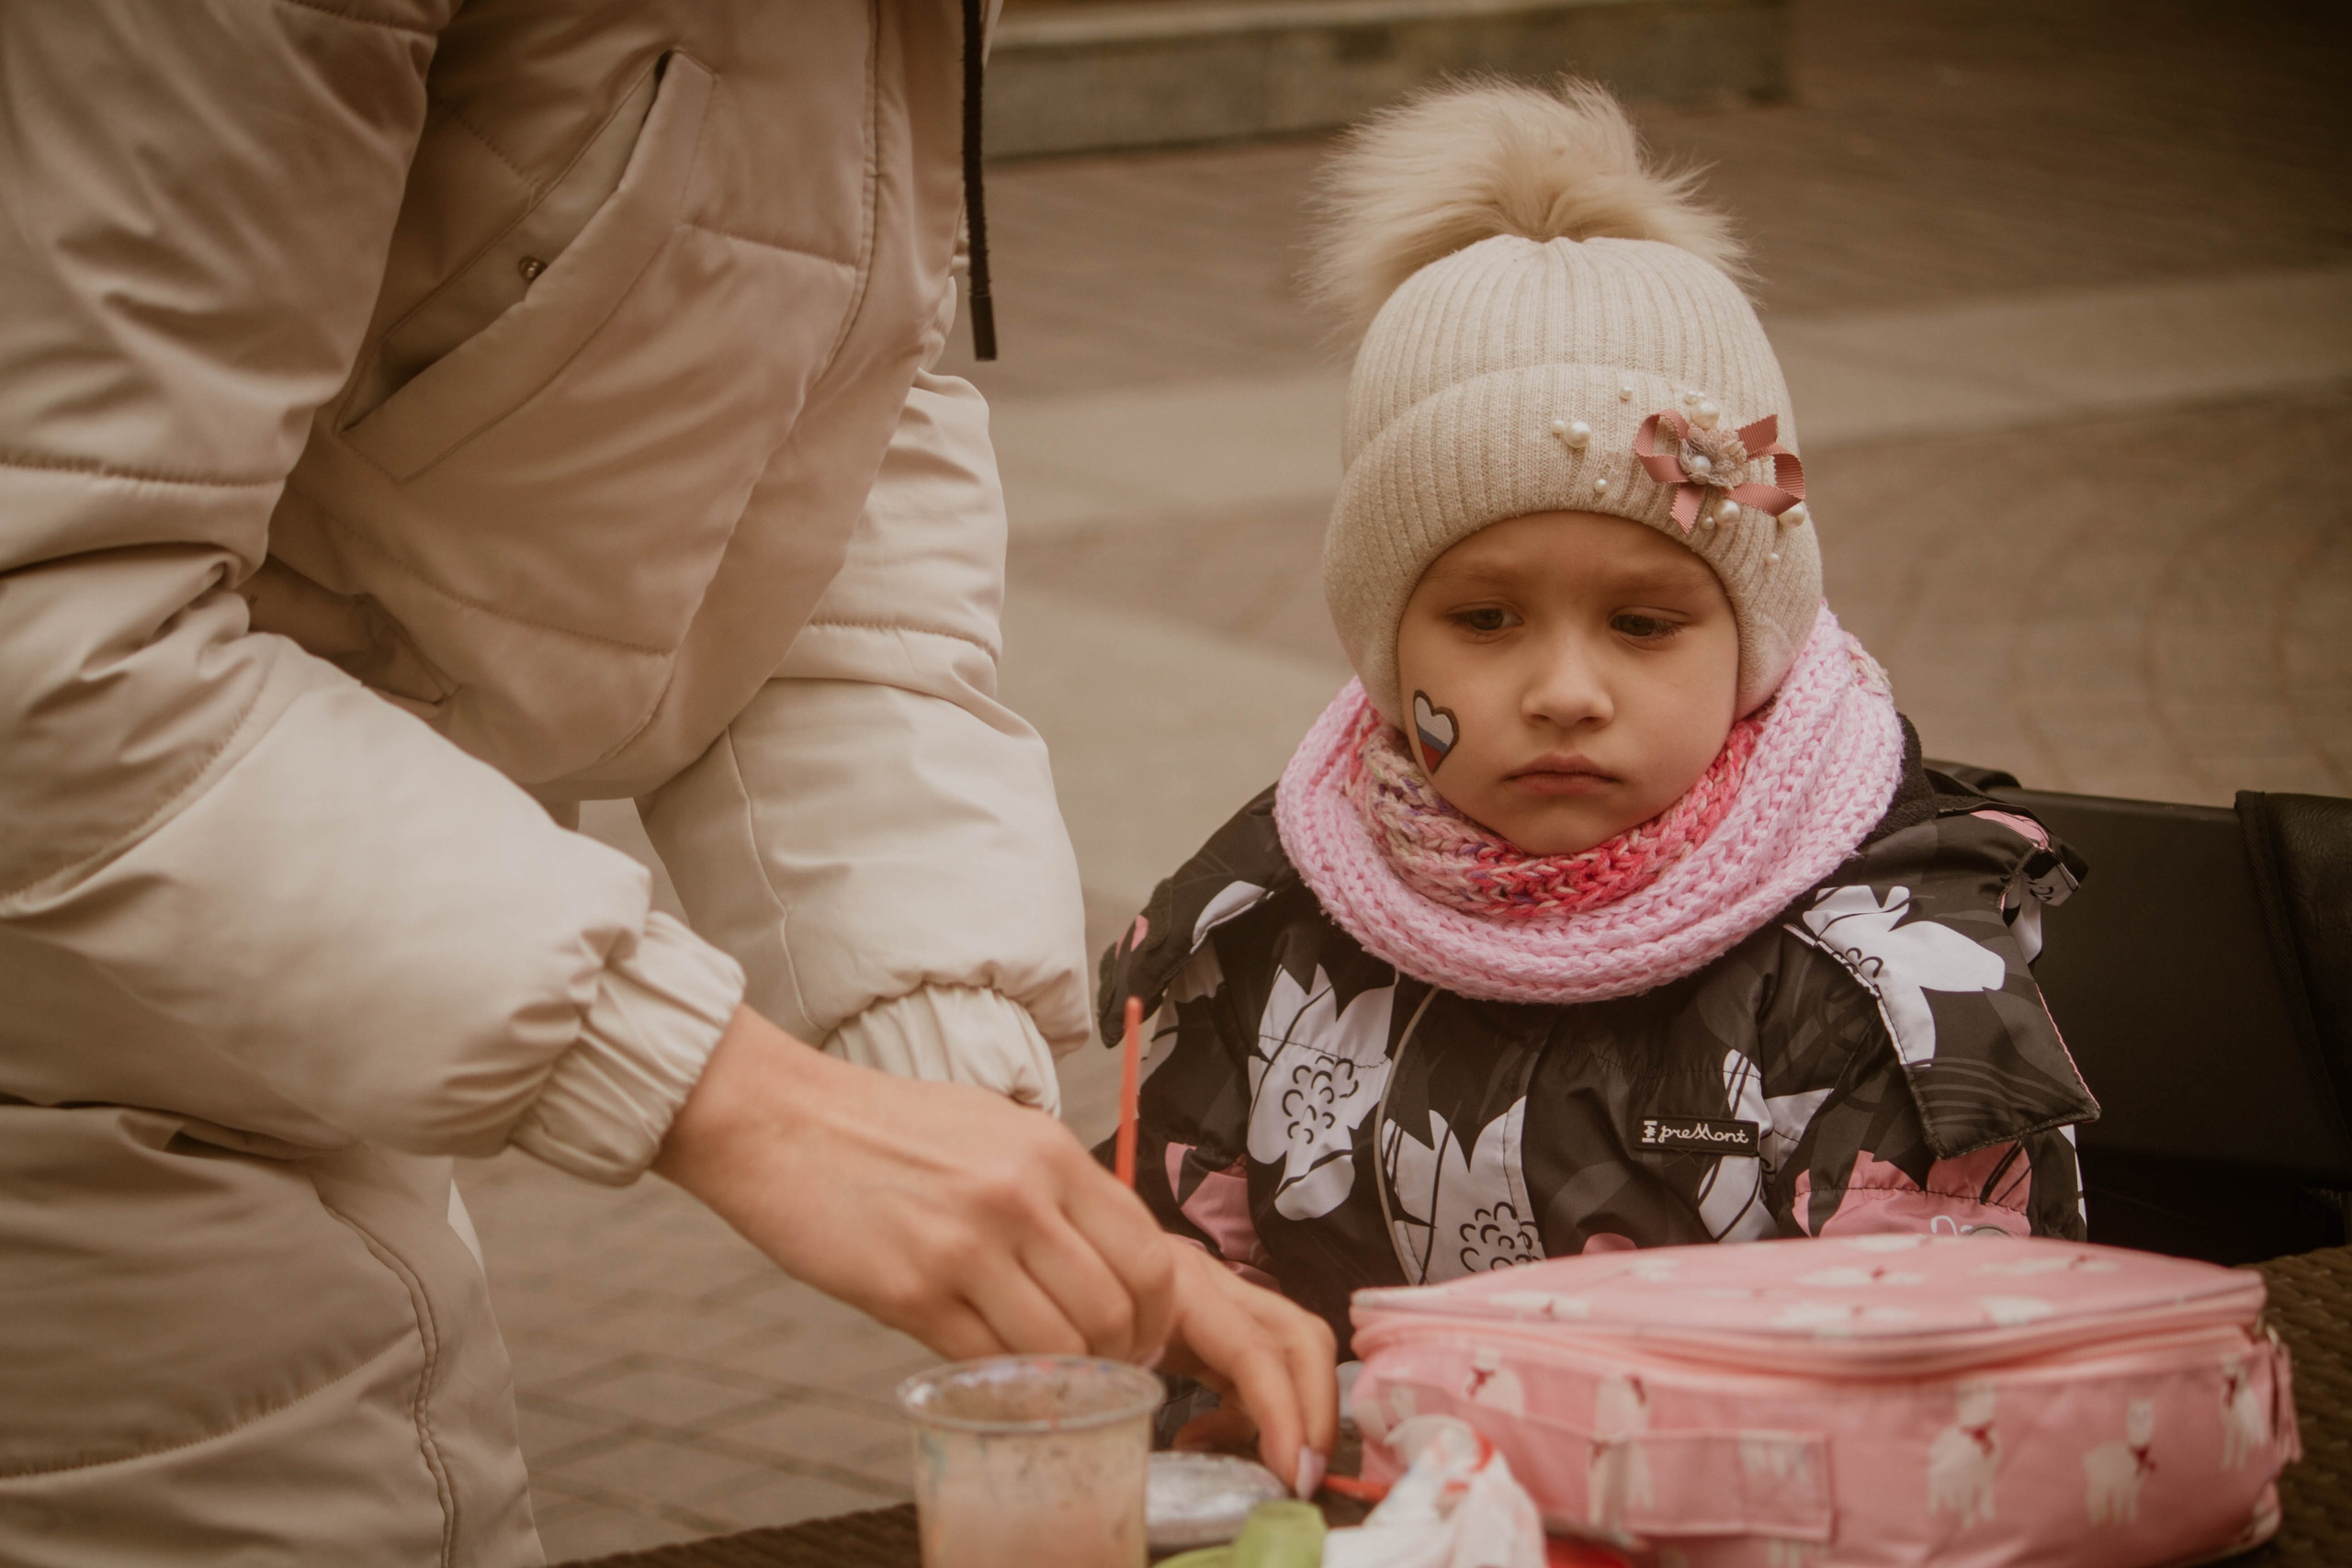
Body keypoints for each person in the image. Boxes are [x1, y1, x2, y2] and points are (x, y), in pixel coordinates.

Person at [0, 4, 1331, 1562]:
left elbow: (800, 477)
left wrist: (955, 1088)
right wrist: (728, 1095)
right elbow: (55, 635)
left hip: (268, 1016)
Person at [1097, 80, 2100, 1351]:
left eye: (1642, 624)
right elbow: (1172, 1311)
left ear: (1753, 643)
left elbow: (1938, 1391)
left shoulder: (1877, 984)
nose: (1566, 691)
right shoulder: (1272, 927)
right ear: (1380, 641)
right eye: (1484, 620)